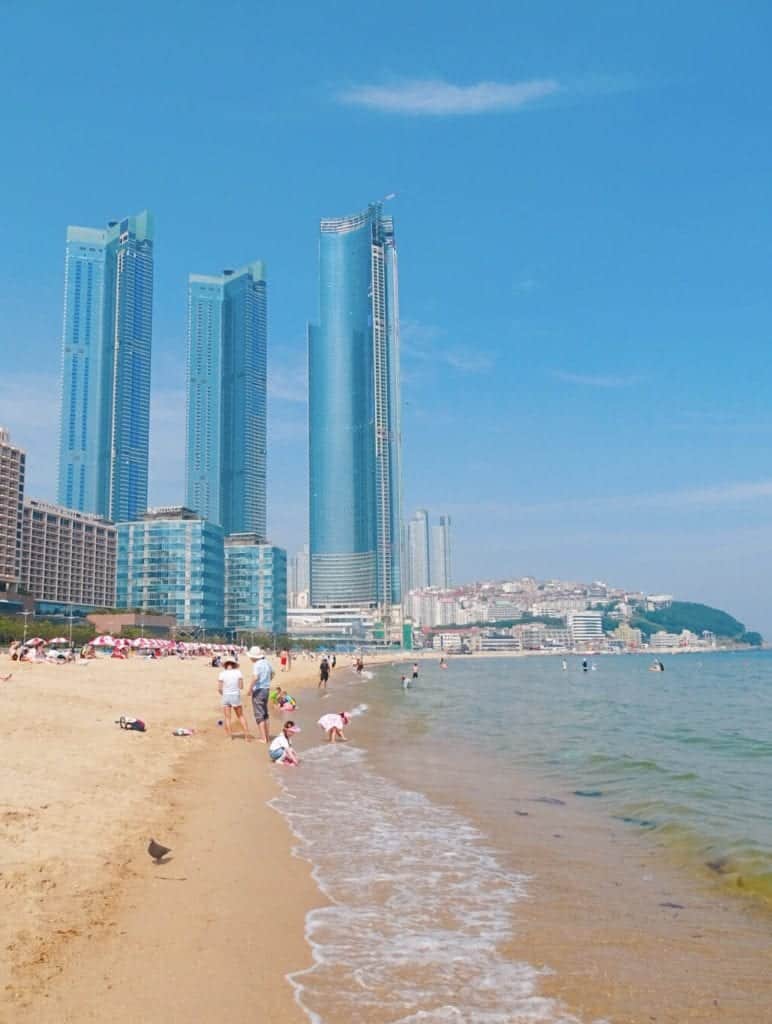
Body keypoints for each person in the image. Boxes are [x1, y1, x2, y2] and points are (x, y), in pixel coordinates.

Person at [218, 657, 252, 741]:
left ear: (225, 665)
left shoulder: (222, 674)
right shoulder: (238, 673)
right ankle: (247, 736)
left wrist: (224, 694)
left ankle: (230, 736)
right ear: (234, 665)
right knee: (240, 716)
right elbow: (241, 686)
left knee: (227, 718)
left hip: (226, 696)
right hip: (235, 696)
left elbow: (219, 688)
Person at [248, 647, 273, 743]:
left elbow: (255, 677)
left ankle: (263, 738)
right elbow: (272, 673)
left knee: (259, 714)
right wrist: (267, 681)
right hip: (266, 689)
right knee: (265, 714)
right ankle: (266, 736)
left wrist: (250, 689)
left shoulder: (257, 664)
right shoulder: (267, 662)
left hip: (258, 690)